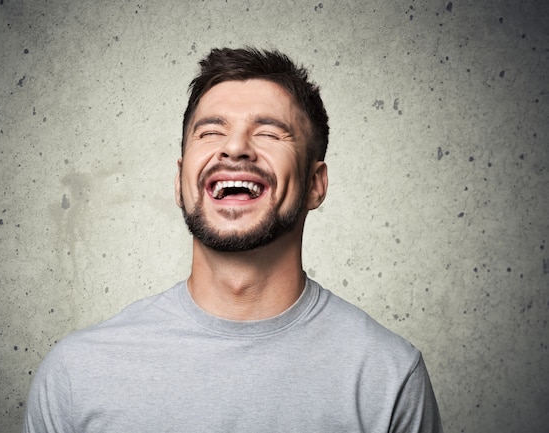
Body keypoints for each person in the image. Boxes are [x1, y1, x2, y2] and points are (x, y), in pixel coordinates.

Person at [23, 47, 443, 432]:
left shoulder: (388, 376)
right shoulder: (77, 373)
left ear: (316, 184)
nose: (236, 147)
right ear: (180, 179)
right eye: (210, 133)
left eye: (269, 132)